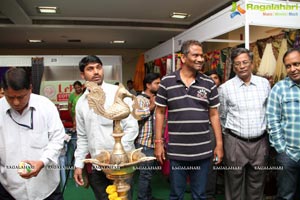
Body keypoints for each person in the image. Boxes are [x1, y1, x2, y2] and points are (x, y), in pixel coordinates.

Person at [154, 40, 224, 200]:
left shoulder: (208, 83)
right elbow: (159, 112)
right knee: (176, 195)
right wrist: (158, 143)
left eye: (202, 55)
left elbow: (214, 114)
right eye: (196, 55)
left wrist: (219, 145)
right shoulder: (167, 81)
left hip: (203, 151)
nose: (200, 59)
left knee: (199, 195)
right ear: (183, 58)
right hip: (177, 152)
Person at [73, 55, 138, 200]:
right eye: (90, 69)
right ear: (83, 75)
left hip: (121, 166)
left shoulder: (117, 92)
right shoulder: (81, 103)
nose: (96, 72)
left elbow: (132, 128)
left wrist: (116, 157)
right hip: (98, 167)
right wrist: (78, 164)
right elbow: (83, 137)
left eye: (98, 67)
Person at [0, 68, 65, 200]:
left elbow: (57, 139)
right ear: (3, 91)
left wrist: (42, 162)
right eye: (10, 97)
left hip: (46, 187)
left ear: (30, 88)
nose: (16, 102)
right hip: (9, 188)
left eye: (21, 97)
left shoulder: (46, 106)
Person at [219, 48, 271, 200]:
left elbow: (268, 110)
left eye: (245, 62)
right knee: (233, 182)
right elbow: (222, 116)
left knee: (257, 182)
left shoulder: (264, 84)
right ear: (233, 67)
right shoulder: (225, 88)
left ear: (252, 64)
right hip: (235, 142)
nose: (241, 66)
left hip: (260, 142)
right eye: (237, 64)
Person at [266, 48, 300, 200]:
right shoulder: (279, 88)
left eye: (296, 64)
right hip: (289, 154)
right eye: (288, 66)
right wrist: (282, 149)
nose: (292, 69)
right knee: (286, 195)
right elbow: (272, 120)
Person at [135, 72, 161, 200]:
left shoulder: (157, 97)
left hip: (153, 142)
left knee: (149, 173)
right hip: (144, 142)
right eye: (157, 83)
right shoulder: (140, 99)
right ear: (148, 84)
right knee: (145, 174)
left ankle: (148, 196)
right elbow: (136, 117)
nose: (159, 85)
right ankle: (142, 198)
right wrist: (151, 106)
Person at [204, 70, 222, 200]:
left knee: (225, 161)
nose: (213, 80)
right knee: (212, 161)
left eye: (215, 78)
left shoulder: (226, 92)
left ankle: (219, 186)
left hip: (228, 131)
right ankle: (209, 192)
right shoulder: (203, 93)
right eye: (209, 78)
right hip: (210, 130)